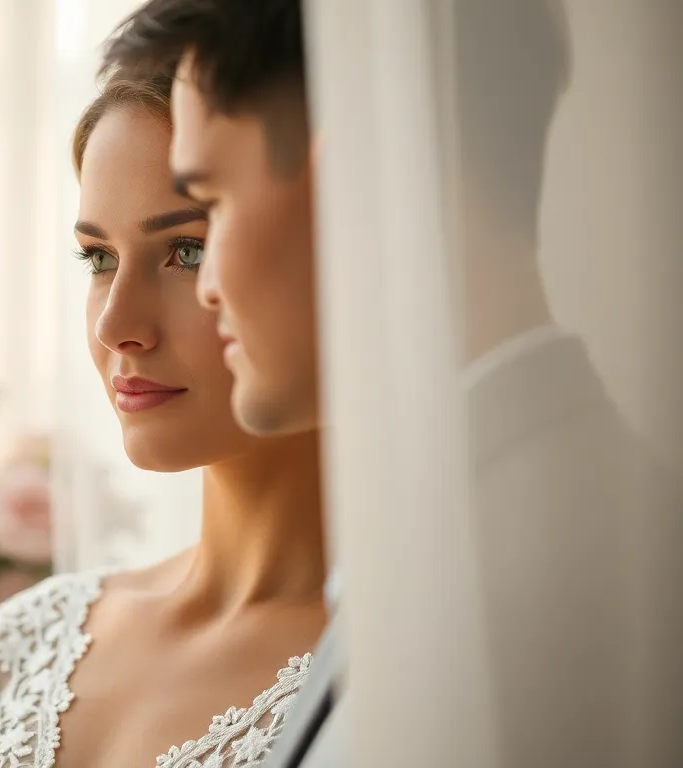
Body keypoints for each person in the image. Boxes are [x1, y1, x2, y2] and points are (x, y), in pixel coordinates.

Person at [100, 0, 681, 765]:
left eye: (210, 205)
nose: (209, 289)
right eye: (96, 257)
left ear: (355, 181)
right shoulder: (492, 520)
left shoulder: (563, 580)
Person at [0, 74, 328, 768]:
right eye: (99, 258)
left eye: (187, 251)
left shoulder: (401, 667)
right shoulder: (20, 644)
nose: (118, 325)